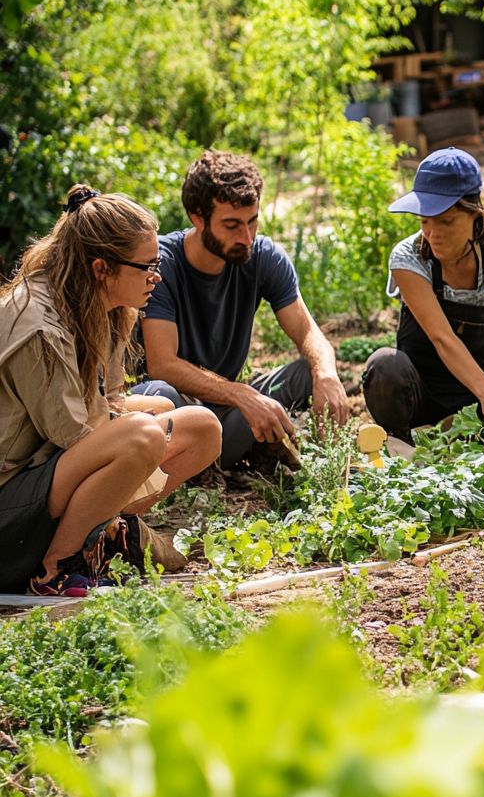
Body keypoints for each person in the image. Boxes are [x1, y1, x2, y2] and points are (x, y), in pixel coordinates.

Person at [0, 186, 222, 596]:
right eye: (147, 267)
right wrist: (141, 435)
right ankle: (56, 567)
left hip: (47, 479)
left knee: (201, 427)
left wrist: (145, 420)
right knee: (145, 433)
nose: (157, 277)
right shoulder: (36, 324)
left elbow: (108, 400)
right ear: (102, 267)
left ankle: (101, 533)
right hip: (9, 510)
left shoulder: (101, 301)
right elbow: (74, 436)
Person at [132, 150, 348, 469]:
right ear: (197, 216)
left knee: (309, 371)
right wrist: (242, 395)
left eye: (252, 221)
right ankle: (200, 463)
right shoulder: (163, 263)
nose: (246, 237)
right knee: (162, 397)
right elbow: (163, 364)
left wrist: (326, 374)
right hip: (178, 414)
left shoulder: (262, 256)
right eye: (232, 225)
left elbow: (307, 331)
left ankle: (239, 452)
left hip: (228, 413)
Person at [361, 147, 484, 437]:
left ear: (474, 214)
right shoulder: (407, 257)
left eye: (446, 221)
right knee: (384, 367)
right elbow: (442, 338)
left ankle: (470, 428)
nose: (432, 234)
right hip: (425, 395)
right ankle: (404, 440)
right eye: (424, 221)